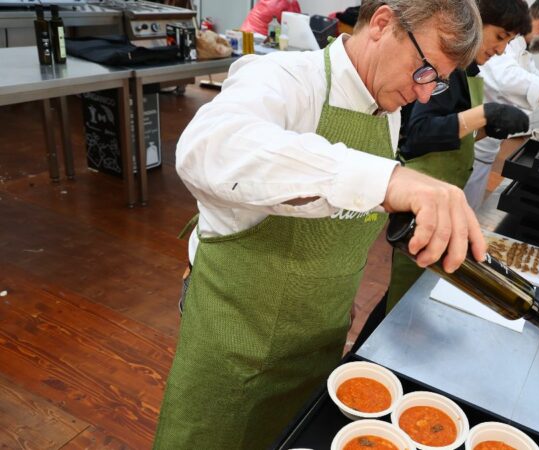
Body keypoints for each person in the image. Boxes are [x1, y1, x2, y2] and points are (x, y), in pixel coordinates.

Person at [153, 1, 485, 448]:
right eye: (424, 70)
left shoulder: (385, 109)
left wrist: (335, 292)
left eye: (438, 82)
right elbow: (207, 148)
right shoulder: (286, 78)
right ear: (382, 24)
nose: (426, 94)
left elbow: (335, 227)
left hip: (318, 342)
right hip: (236, 340)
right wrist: (386, 178)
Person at [385, 0, 531, 311]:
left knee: (415, 288)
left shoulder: (471, 72)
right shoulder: (448, 70)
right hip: (421, 198)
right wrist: (483, 114)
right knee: (402, 294)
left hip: (442, 194)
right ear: (477, 23)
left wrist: (486, 129)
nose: (502, 50)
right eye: (501, 37)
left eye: (509, 41)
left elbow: (451, 134)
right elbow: (421, 133)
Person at [462, 0, 539, 210]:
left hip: (483, 147)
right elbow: (506, 79)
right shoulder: (508, 43)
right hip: (465, 143)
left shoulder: (522, 49)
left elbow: (533, 76)